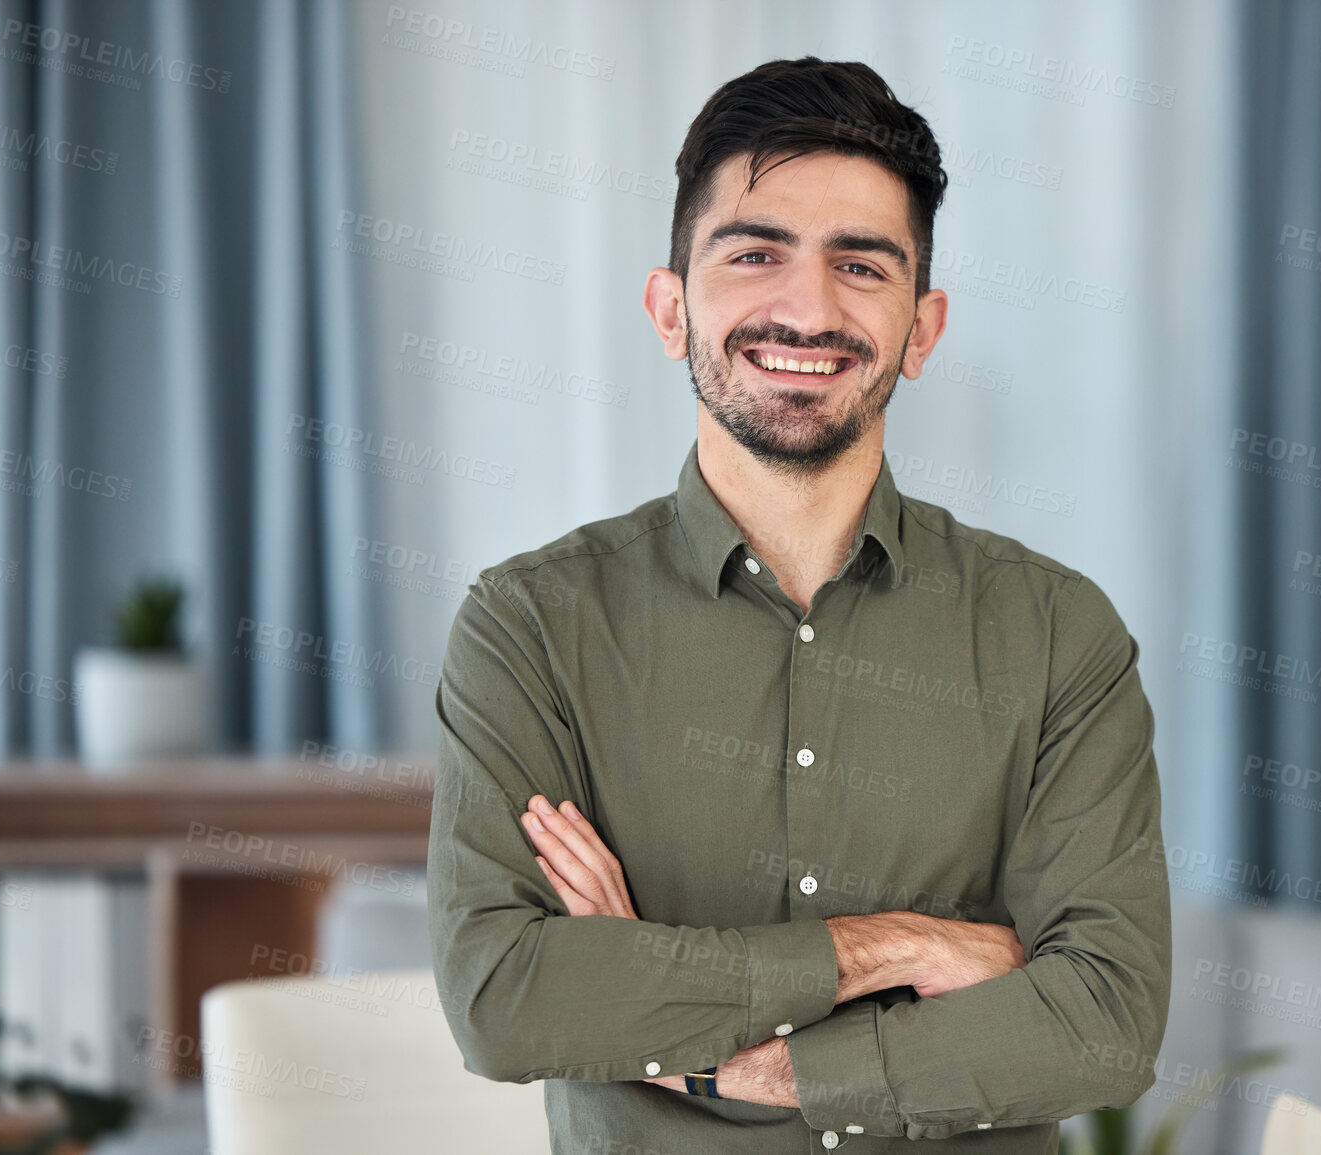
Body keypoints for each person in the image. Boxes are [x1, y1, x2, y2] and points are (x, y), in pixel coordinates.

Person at [427, 55, 1170, 1153]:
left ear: (922, 330)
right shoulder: (530, 626)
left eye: (862, 267)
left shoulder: (1060, 635)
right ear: (669, 307)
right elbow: (504, 997)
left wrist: (711, 1041)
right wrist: (898, 949)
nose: (807, 308)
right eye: (755, 254)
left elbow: (1106, 1026)